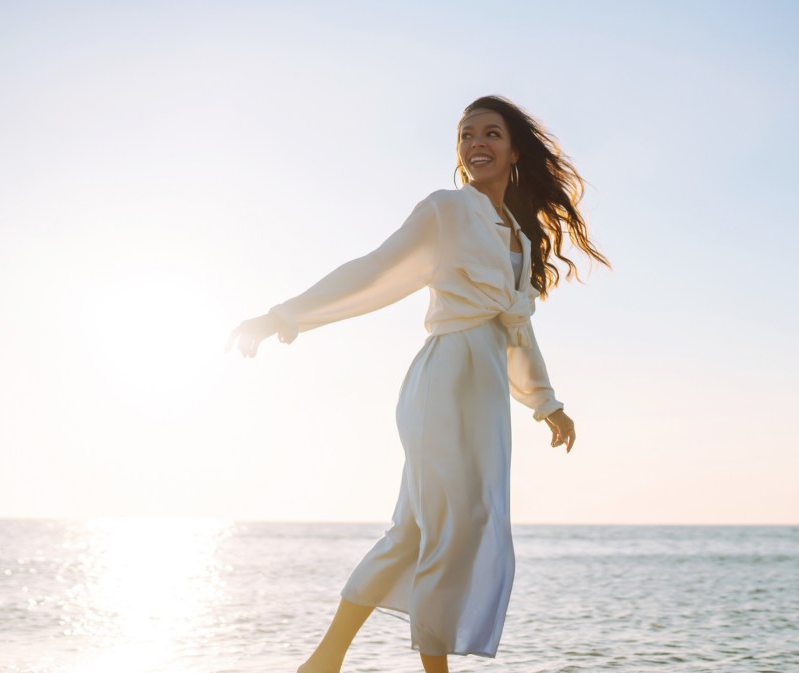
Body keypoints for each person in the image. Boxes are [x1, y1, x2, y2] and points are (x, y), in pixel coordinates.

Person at [227, 95, 609, 673]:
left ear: (513, 152)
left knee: (428, 529)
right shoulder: (446, 211)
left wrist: (546, 406)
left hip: (485, 399)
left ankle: (322, 663)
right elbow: (374, 269)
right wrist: (285, 316)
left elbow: (516, 335)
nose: (476, 143)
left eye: (491, 134)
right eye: (466, 135)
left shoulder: (518, 238)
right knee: (445, 529)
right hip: (444, 381)